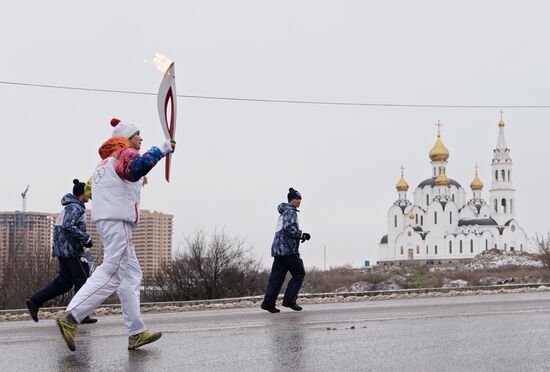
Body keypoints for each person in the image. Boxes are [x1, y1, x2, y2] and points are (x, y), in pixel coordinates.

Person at [56, 118, 175, 352]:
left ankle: (136, 332)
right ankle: (71, 317)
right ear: (127, 137)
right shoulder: (124, 152)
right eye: (138, 135)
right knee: (112, 271)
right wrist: (162, 149)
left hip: (108, 220)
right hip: (118, 219)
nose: (141, 139)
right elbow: (133, 170)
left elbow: (90, 188)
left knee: (131, 275)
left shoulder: (103, 163)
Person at [26, 179, 97, 324]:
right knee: (83, 280)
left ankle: (35, 301)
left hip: (63, 250)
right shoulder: (75, 207)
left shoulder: (70, 206)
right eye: (87, 193)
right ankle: (79, 314)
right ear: (81, 194)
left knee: (64, 283)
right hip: (71, 251)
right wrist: (86, 239)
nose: (89, 196)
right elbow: (68, 227)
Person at [261, 188, 311, 313]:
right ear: (291, 200)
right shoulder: (290, 211)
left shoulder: (283, 212)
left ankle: (268, 303)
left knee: (276, 278)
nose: (299, 201)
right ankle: (289, 301)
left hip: (278, 250)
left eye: (300, 199)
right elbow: (289, 228)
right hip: (288, 249)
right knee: (299, 273)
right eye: (296, 198)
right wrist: (302, 235)